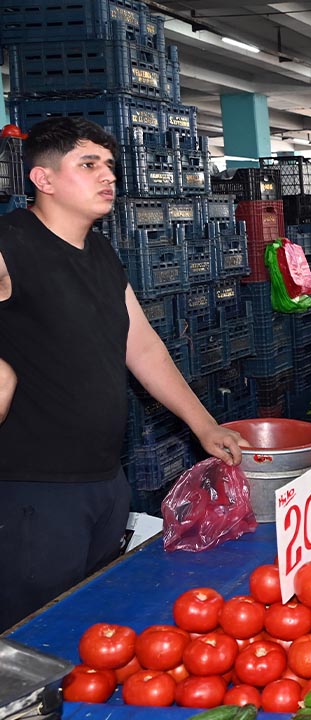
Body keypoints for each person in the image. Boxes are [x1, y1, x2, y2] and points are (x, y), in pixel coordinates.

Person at [0, 117, 247, 631]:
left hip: (106, 483)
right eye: (88, 164)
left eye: (110, 165)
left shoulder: (102, 254)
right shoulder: (11, 244)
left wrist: (203, 424)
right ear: (42, 180)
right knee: (35, 640)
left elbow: (143, 346)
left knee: (91, 627)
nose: (106, 175)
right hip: (34, 491)